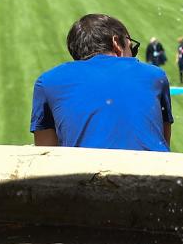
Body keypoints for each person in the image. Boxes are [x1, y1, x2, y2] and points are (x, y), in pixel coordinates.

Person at [31, 13, 172, 151]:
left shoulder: (48, 82)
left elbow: (46, 152)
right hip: (150, 172)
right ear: (116, 43)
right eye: (132, 48)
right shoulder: (155, 76)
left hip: (82, 172)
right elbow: (163, 143)